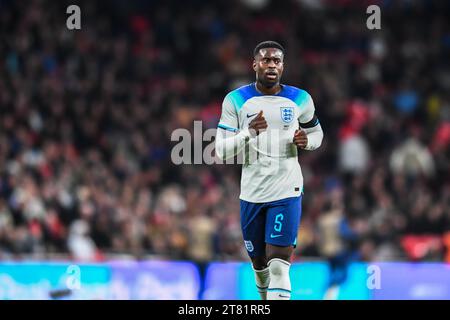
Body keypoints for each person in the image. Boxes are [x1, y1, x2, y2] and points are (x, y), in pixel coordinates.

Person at [214, 41, 324, 300]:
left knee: (278, 264)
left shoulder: (300, 99)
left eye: (276, 61)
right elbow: (221, 150)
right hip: (252, 193)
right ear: (255, 65)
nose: (271, 65)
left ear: (283, 66)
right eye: (266, 60)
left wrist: (307, 141)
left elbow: (317, 132)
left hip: (287, 189)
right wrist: (248, 133)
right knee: (260, 265)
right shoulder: (236, 100)